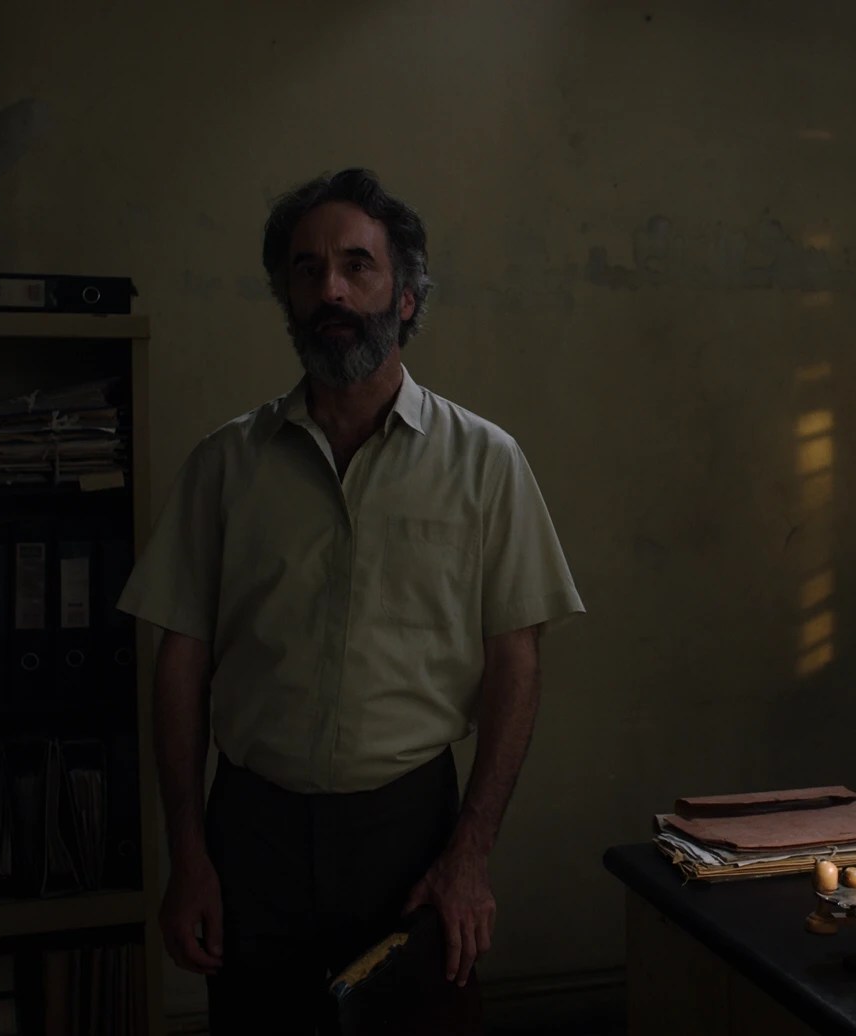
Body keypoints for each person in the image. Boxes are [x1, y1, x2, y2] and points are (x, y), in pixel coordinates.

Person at [117, 167, 585, 1034]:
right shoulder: (225, 466)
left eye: (356, 266)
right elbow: (179, 663)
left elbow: (515, 665)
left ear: (405, 297)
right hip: (250, 834)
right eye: (307, 270)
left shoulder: (486, 463)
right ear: (289, 300)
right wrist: (188, 856)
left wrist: (469, 856)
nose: (330, 288)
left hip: (407, 835)